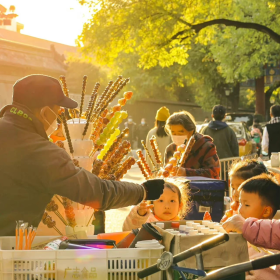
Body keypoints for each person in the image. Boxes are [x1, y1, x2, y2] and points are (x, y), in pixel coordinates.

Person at [0, 74, 165, 236]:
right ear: (44, 112)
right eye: (59, 113)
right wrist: (143, 191)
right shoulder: (41, 152)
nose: (59, 121)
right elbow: (97, 192)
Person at [225, 174, 280, 280]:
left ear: (267, 211)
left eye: (246, 205)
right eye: (240, 203)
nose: (240, 210)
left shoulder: (269, 250)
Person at [165, 111, 220, 179]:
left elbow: (213, 172)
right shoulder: (171, 149)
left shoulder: (206, 146)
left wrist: (186, 172)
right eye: (173, 133)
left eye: (180, 132)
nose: (177, 136)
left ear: (190, 131)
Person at [123, 180, 188, 231]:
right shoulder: (147, 222)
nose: (167, 206)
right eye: (161, 201)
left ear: (180, 206)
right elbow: (128, 231)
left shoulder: (182, 226)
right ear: (152, 205)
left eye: (172, 201)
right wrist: (139, 215)